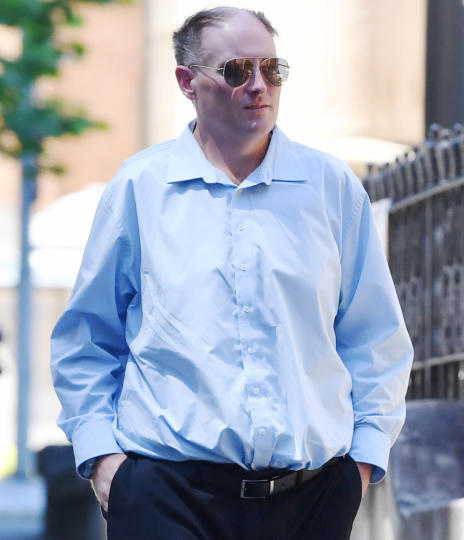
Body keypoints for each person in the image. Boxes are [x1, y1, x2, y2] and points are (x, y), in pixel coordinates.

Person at [50, 7, 413, 539]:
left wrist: (360, 466)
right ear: (187, 82)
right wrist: (104, 462)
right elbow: (88, 340)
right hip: (166, 497)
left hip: (311, 499)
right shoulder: (141, 188)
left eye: (272, 69)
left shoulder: (331, 189)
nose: (259, 86)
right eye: (238, 70)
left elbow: (375, 337)